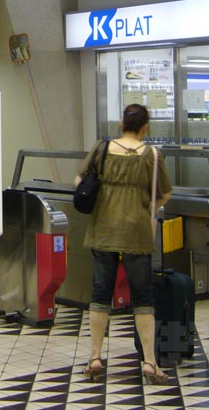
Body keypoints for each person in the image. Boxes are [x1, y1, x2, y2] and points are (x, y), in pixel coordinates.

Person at [74, 103, 173, 384]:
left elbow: (79, 180)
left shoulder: (102, 148)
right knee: (142, 298)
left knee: (100, 294)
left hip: (103, 230)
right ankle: (150, 363)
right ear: (145, 127)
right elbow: (164, 194)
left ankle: (95, 357)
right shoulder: (152, 155)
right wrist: (143, 205)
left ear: (121, 124)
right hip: (137, 233)